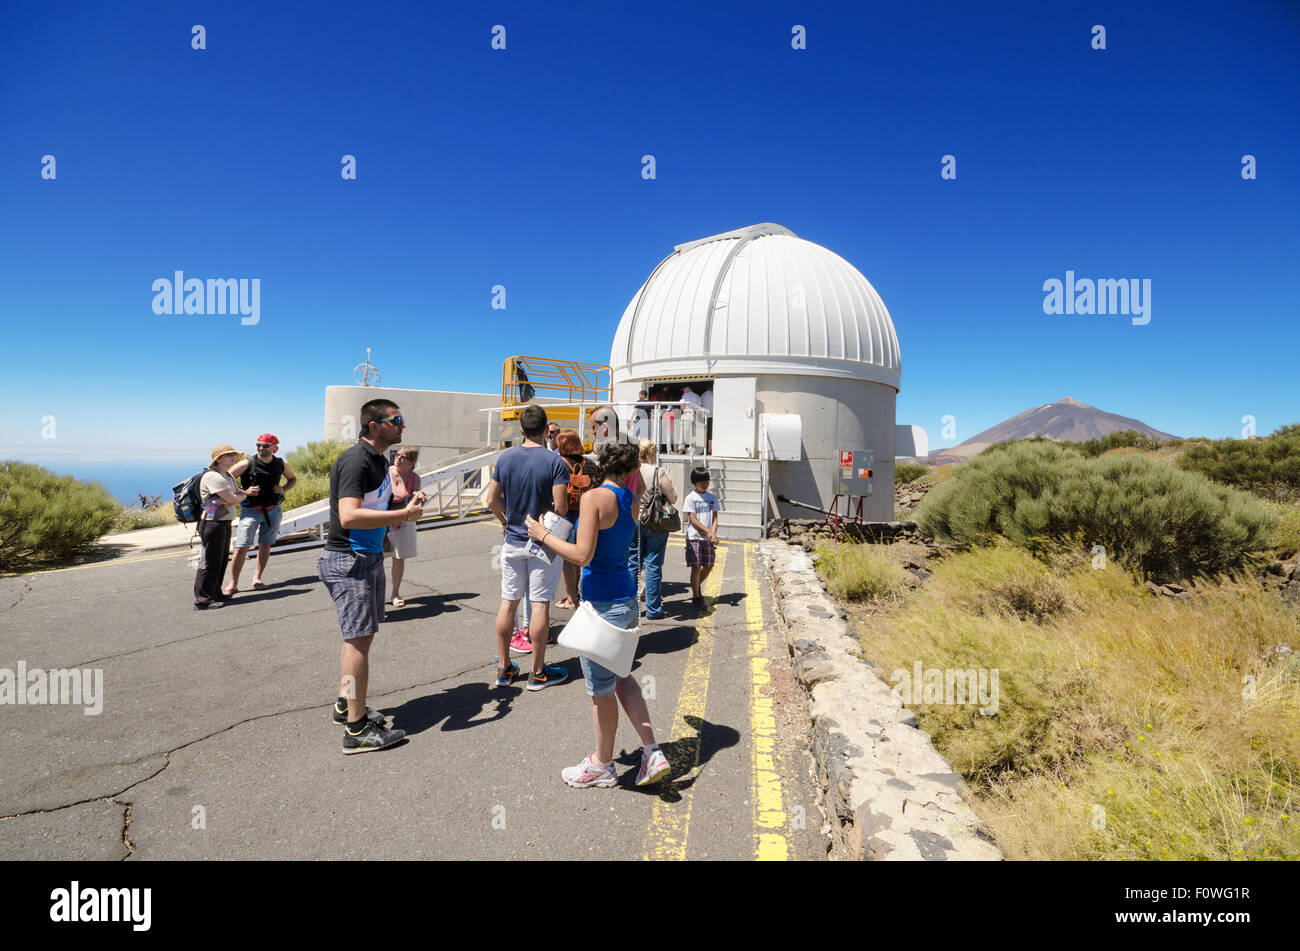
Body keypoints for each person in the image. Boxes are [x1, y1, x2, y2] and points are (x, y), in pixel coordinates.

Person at [524, 441, 671, 788]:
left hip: (601, 605)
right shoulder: (631, 500)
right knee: (622, 676)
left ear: (600, 465)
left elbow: (583, 555)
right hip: (626, 598)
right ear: (634, 469)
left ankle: (602, 765)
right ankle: (652, 751)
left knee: (601, 691)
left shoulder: (594, 499)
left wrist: (543, 534)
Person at [320, 399, 425, 754]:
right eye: (396, 419)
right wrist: (405, 516)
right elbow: (348, 516)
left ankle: (345, 704)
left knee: (359, 640)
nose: (402, 425)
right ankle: (356, 729)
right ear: (373, 425)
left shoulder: (379, 461)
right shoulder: (357, 459)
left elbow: (376, 507)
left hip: (365, 558)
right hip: (350, 560)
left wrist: (405, 508)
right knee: (357, 641)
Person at [485, 404, 571, 690]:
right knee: (539, 605)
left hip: (512, 541)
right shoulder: (555, 462)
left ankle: (503, 667)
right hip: (542, 544)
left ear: (521, 430)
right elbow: (560, 506)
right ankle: (537, 671)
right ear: (547, 430)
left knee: (508, 602)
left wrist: (505, 519)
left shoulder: (505, 458)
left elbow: (491, 500)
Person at [225, 433, 296, 594]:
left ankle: (257, 579)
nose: (260, 448)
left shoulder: (281, 463)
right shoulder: (247, 463)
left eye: (265, 445)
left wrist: (283, 489)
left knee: (265, 545)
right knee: (242, 546)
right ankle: (233, 584)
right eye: (258, 445)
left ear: (274, 448)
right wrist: (245, 491)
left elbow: (292, 479)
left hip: (274, 509)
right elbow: (225, 481)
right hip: (251, 511)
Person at [629, 439, 677, 619]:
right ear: (650, 453)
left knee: (633, 562)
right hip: (655, 521)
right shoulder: (658, 471)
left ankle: (631, 606)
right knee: (653, 564)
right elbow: (673, 498)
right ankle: (653, 609)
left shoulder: (631, 469)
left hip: (634, 519)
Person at [195, 445, 248, 609]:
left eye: (234, 454)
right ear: (218, 459)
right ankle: (203, 599)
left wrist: (237, 496)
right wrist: (237, 497)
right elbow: (234, 498)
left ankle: (215, 592)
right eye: (228, 455)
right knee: (210, 561)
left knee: (221, 560)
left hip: (223, 521)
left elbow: (238, 494)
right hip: (212, 523)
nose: (233, 457)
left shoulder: (227, 476)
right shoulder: (213, 477)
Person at [554, 429, 600, 610]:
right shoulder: (589, 464)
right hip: (585, 512)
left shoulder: (558, 463)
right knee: (582, 555)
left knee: (567, 558)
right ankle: (580, 591)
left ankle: (571, 597)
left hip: (566, 513)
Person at [387, 445, 421, 608]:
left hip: (404, 523)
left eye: (403, 457)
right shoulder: (385, 473)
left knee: (398, 559)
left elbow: (414, 496)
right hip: (384, 521)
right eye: (397, 455)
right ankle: (375, 595)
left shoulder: (414, 477)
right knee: (376, 559)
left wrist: (418, 495)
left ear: (411, 462)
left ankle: (395, 593)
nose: (398, 458)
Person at [683, 466, 720, 603]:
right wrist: (709, 531)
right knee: (696, 567)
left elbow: (715, 518)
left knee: (708, 567)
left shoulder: (712, 497)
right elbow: (692, 519)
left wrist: (713, 533)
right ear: (695, 482)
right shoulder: (690, 498)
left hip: (709, 538)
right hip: (694, 537)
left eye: (707, 480)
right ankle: (696, 596)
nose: (705, 483)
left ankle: (696, 585)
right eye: (702, 481)